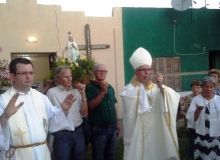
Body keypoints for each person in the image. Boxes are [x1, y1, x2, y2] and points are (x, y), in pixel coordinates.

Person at [0, 58, 75, 160]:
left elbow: (53, 120)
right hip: (17, 155)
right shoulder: (3, 100)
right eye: (23, 73)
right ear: (12, 76)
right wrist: (5, 117)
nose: (28, 76)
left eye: (31, 73)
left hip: (42, 153)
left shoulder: (41, 97)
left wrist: (64, 111)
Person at [120, 47, 180, 160]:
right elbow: (128, 98)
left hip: (156, 130)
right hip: (138, 132)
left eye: (148, 69)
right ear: (135, 72)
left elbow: (171, 97)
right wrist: (145, 87)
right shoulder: (130, 89)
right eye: (143, 69)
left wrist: (161, 87)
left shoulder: (157, 88)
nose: (146, 72)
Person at [46, 65, 88, 160]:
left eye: (70, 76)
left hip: (78, 132)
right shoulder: (52, 93)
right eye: (66, 77)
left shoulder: (77, 91)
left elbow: (85, 114)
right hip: (62, 135)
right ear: (59, 79)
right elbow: (48, 116)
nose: (69, 79)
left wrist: (83, 95)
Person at [85, 64, 120, 160]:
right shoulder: (90, 87)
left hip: (112, 128)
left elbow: (113, 106)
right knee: (98, 156)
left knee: (111, 155)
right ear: (94, 73)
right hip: (99, 130)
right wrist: (102, 92)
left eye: (104, 71)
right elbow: (91, 105)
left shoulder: (110, 88)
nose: (102, 73)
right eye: (100, 71)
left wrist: (116, 122)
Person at [186, 76, 220, 160]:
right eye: (206, 86)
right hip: (201, 134)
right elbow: (191, 118)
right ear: (202, 87)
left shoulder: (218, 99)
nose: (209, 89)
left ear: (214, 88)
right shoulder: (196, 99)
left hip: (216, 134)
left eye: (211, 87)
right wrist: (197, 110)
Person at [179, 80, 202, 159]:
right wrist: (190, 117)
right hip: (191, 126)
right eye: (193, 87)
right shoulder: (186, 99)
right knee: (192, 144)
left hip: (203, 126)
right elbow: (182, 111)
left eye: (198, 87)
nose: (195, 89)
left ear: (202, 88)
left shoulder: (205, 97)